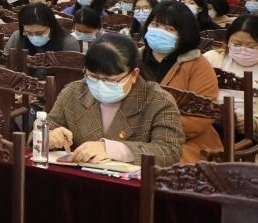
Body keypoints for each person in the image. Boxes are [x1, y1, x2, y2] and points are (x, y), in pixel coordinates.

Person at [45, 32, 184, 167]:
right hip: (78, 177)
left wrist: (110, 149)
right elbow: (47, 126)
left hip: (132, 181)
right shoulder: (74, 92)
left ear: (134, 74)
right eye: (93, 77)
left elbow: (169, 152)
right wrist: (48, 137)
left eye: (110, 80)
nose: (100, 85)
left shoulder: (158, 101)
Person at [139, 1, 221, 162]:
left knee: (153, 161)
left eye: (169, 29)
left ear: (184, 34)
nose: (159, 32)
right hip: (134, 136)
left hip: (186, 141)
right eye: (155, 25)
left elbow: (202, 115)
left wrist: (156, 131)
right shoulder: (133, 59)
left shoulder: (198, 64)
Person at [203, 16, 258, 138]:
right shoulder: (213, 58)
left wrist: (257, 122)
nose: (243, 50)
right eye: (236, 44)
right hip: (209, 121)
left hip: (249, 132)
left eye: (251, 46)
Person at [4, 3, 80, 54]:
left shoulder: (68, 43)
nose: (34, 36)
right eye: (29, 33)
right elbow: (6, 64)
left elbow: (73, 72)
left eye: (39, 33)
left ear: (51, 27)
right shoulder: (17, 37)